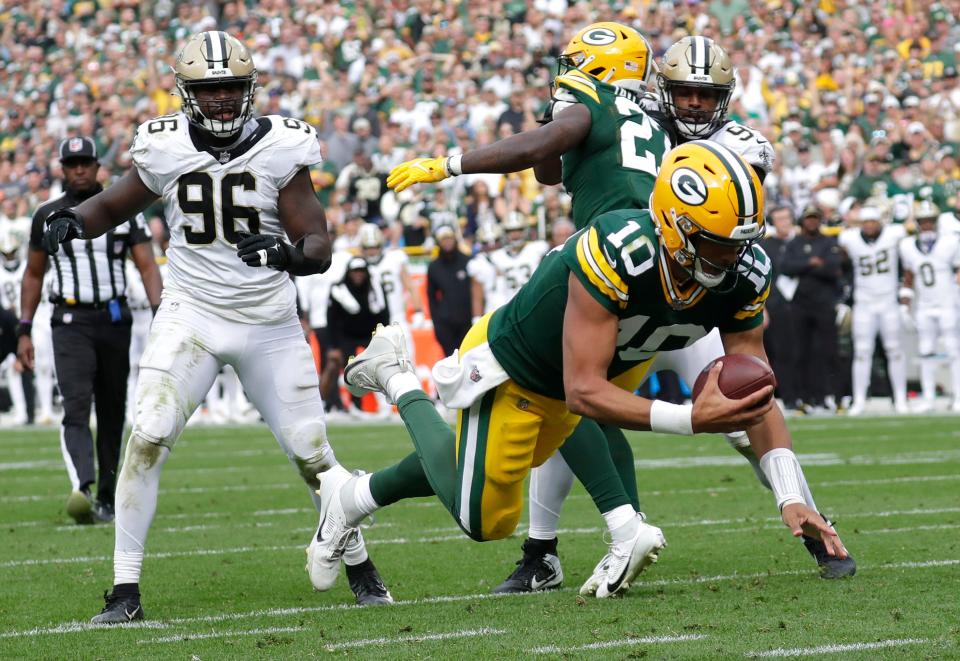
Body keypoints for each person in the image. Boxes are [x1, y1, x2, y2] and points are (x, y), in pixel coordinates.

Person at [388, 28, 851, 591]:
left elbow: (727, 231)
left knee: (741, 396)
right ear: (662, 86)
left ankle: (803, 513)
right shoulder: (629, 112)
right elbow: (553, 162)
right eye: (684, 91)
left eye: (707, 94)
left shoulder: (737, 145)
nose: (695, 103)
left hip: (685, 290)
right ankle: (544, 550)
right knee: (569, 400)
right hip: (619, 276)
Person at [311, 142, 847, 601]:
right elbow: (583, 390)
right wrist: (690, 419)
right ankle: (398, 377)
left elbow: (757, 389)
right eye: (717, 243)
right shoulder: (618, 251)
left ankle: (354, 497)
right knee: (484, 522)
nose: (731, 257)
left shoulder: (743, 271)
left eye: (740, 244)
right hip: (516, 367)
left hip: (574, 384)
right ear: (676, 227)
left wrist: (790, 495)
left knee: (474, 458)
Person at [38, 31, 391, 623]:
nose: (224, 99)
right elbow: (114, 204)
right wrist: (72, 222)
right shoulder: (164, 145)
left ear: (249, 89)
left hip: (269, 320)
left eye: (231, 87)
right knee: (146, 437)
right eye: (211, 89)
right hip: (192, 312)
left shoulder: (282, 146)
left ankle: (359, 564)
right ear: (187, 92)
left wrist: (284, 253)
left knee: (313, 454)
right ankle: (125, 592)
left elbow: (319, 245)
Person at [19, 136, 162, 525]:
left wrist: (160, 313)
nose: (79, 169)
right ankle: (82, 485)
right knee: (76, 404)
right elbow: (33, 274)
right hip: (69, 322)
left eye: (85, 162)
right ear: (62, 168)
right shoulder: (46, 215)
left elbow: (147, 266)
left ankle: (107, 497)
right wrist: (24, 328)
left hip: (115, 320)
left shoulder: (123, 212)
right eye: (72, 163)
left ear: (97, 166)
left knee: (114, 409)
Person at [837, 203, 908, 415]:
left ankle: (901, 398)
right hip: (864, 302)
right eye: (865, 222)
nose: (869, 226)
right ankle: (859, 400)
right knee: (861, 352)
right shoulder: (849, 238)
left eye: (872, 222)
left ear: (879, 222)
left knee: (895, 350)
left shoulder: (894, 234)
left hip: (889, 302)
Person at [780, 206, 844, 412]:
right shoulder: (794, 243)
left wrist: (806, 266)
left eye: (815, 218)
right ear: (802, 221)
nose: (812, 222)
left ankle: (837, 397)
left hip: (824, 303)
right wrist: (811, 263)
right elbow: (785, 267)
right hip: (800, 304)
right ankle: (805, 399)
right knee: (800, 353)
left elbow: (833, 269)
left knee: (830, 352)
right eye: (808, 218)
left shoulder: (829, 242)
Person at [899, 200, 960, 412]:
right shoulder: (907, 246)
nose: (926, 225)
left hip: (947, 302)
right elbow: (908, 277)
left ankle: (958, 395)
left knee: (953, 348)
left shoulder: (951, 242)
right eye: (923, 221)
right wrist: (905, 306)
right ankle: (929, 397)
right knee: (925, 350)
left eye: (930, 221)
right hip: (924, 304)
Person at [325, 256, 390, 411]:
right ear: (348, 272)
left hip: (371, 335)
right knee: (351, 372)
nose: (358, 274)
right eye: (355, 271)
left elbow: (384, 314)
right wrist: (333, 345)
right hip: (346, 336)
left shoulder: (375, 288)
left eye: (361, 271)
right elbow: (331, 319)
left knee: (380, 368)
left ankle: (385, 405)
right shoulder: (339, 290)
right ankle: (354, 406)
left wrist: (383, 337)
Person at [761, 206, 799, 406]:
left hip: (803, 304)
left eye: (786, 218)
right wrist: (762, 308)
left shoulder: (801, 241)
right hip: (776, 304)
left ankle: (810, 395)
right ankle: (788, 396)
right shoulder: (767, 245)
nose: (783, 222)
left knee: (806, 349)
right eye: (779, 219)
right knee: (779, 352)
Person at [426, 224, 472, 356]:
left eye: (449, 238)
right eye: (443, 239)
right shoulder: (434, 267)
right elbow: (431, 297)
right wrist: (437, 323)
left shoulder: (467, 261)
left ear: (455, 239)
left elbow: (476, 293)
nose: (447, 242)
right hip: (446, 324)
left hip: (467, 321)